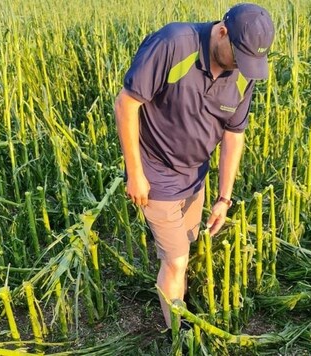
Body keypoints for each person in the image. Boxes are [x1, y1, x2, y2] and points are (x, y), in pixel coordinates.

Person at [114, 3, 275, 330]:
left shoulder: (244, 71)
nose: (240, 67)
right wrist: (135, 174)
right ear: (222, 31)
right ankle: (178, 335)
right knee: (176, 261)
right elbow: (126, 104)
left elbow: (233, 137)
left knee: (184, 246)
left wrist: (224, 198)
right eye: (238, 57)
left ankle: (176, 296)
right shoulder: (174, 44)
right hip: (156, 172)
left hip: (195, 177)